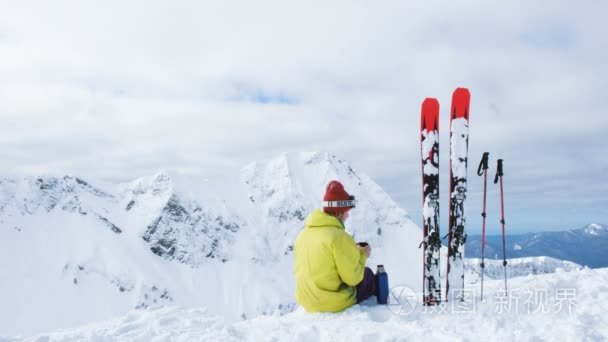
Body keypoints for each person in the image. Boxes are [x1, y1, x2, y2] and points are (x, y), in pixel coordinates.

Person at [293, 180, 376, 312]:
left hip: (305, 301)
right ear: (338, 213)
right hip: (330, 302)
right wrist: (362, 255)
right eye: (346, 212)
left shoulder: (302, 234)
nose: (348, 215)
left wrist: (351, 250)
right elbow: (353, 279)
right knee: (368, 275)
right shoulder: (339, 237)